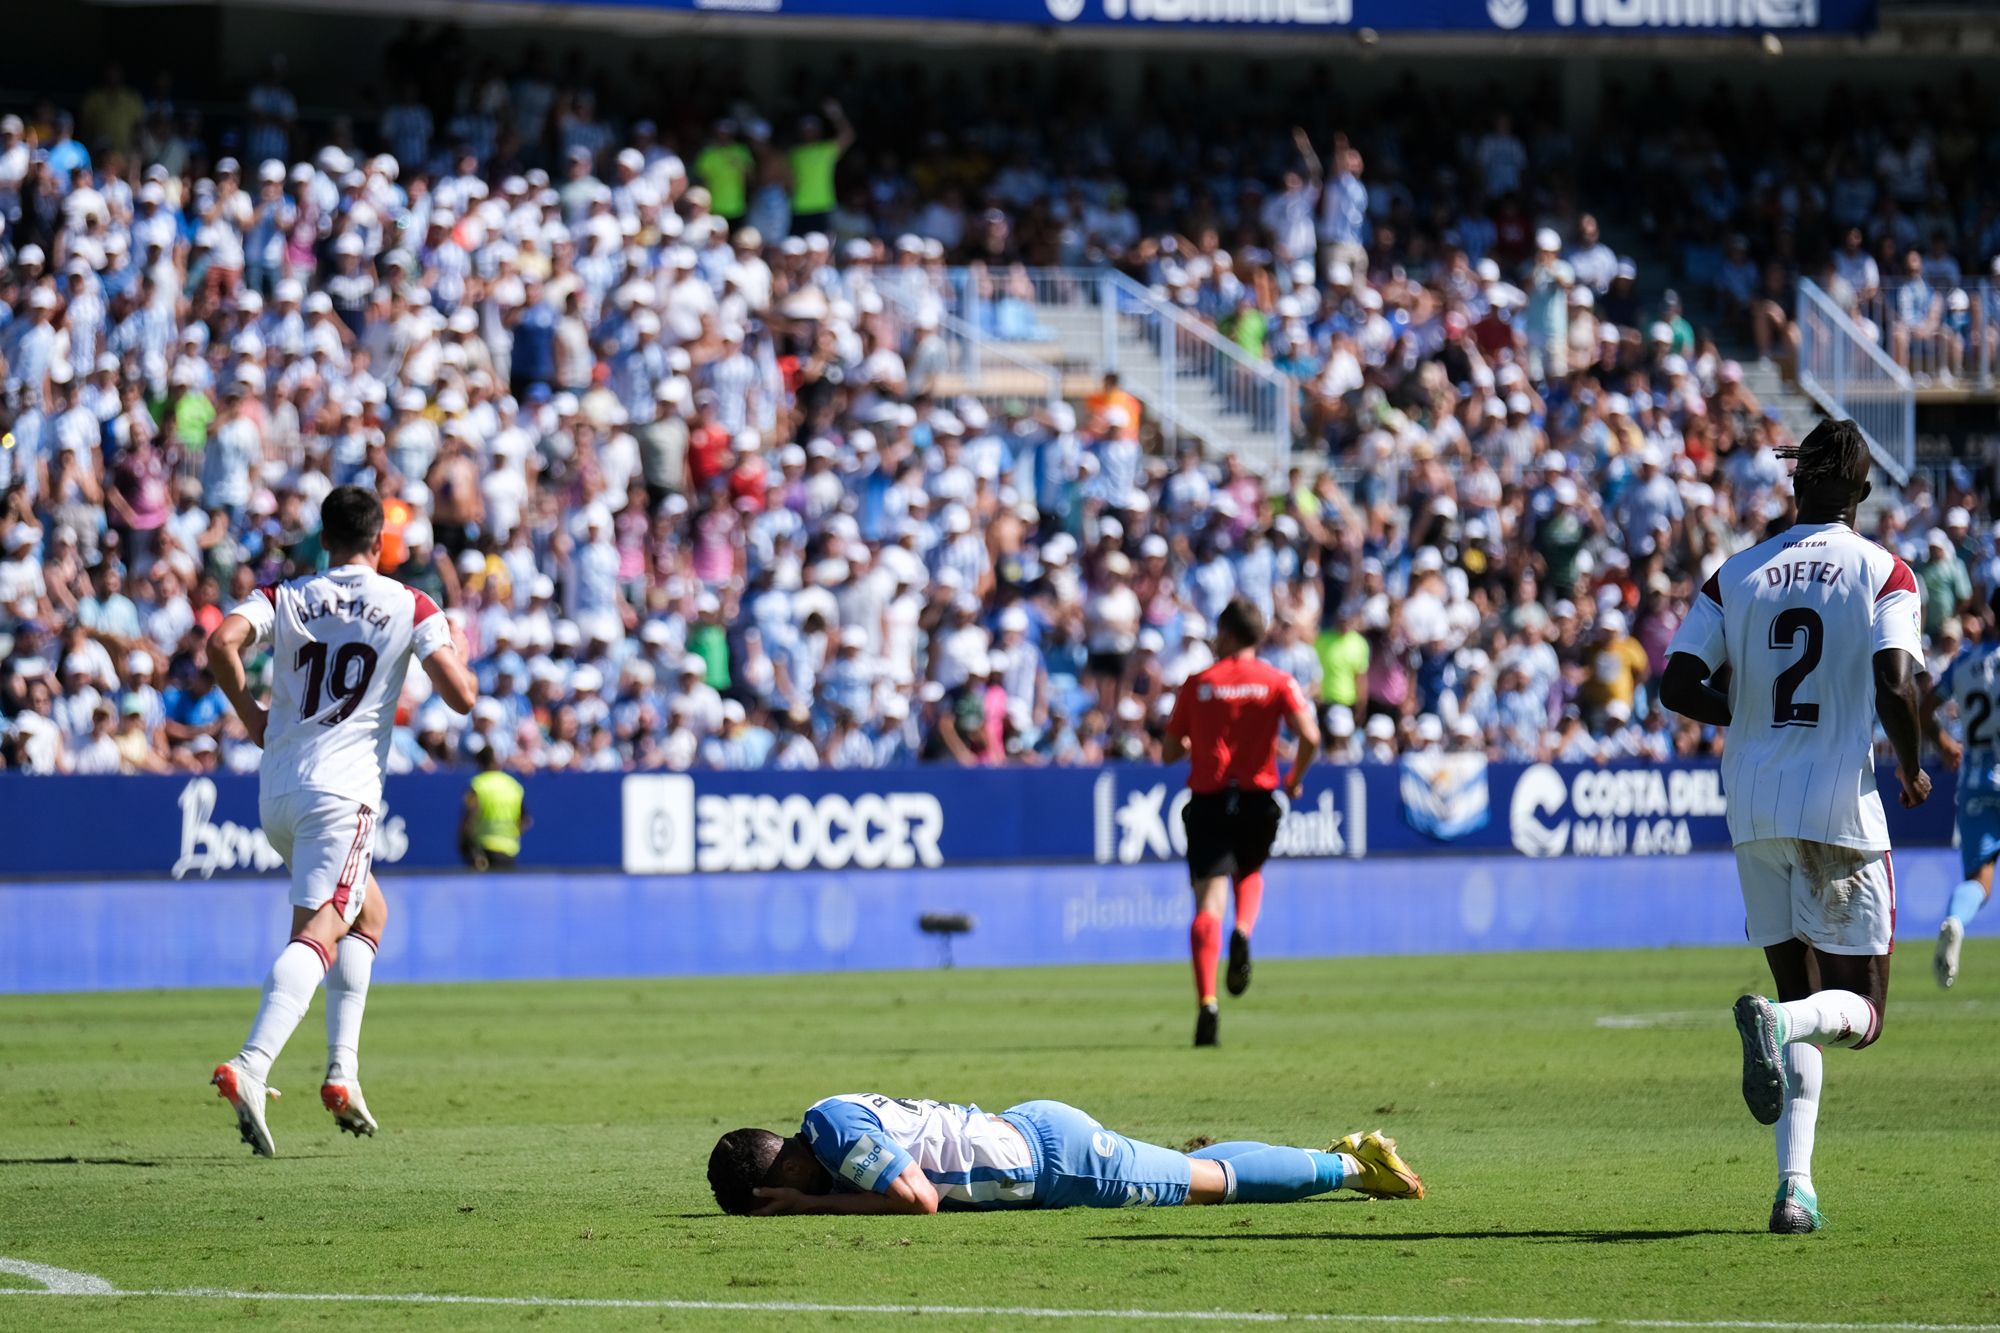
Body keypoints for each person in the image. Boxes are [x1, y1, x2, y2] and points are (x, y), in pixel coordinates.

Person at [1658, 418, 1929, 1235]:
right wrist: (1912, 764)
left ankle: (1795, 1189)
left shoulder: (1735, 573)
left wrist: (1740, 710)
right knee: (1862, 1013)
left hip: (1752, 807)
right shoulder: (1885, 571)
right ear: (1863, 491)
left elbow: (1677, 682)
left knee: (1800, 995)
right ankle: (1776, 1029)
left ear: (1794, 481)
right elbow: (1893, 682)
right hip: (1841, 805)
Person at [206, 486, 479, 1156]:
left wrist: (250, 716)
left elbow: (221, 642)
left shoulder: (287, 594)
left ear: (322, 538)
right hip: (343, 794)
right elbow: (462, 695)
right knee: (323, 927)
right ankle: (252, 1061)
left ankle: (342, 1073)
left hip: (278, 793)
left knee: (369, 913)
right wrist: (448, 646)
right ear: (380, 540)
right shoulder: (409, 603)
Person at [708, 1092, 1422, 1216]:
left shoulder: (833, 1138)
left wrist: (810, 1205)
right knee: (1183, 1170)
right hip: (1035, 1136)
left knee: (1213, 1182)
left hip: (1052, 1163)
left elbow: (918, 1198)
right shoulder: (829, 1121)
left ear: (779, 1174)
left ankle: (1356, 1165)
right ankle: (1327, 1155)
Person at [1162, 597, 1320, 1048]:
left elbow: (1170, 752)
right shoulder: (1277, 680)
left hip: (1210, 800)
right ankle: (1244, 930)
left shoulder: (1199, 683)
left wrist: (1201, 739)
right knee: (1249, 872)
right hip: (1257, 797)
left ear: (1228, 634)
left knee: (1208, 901)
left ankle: (1208, 1001)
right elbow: (1310, 736)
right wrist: (1294, 780)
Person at [1919, 591, 1999, 988]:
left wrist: (1945, 742)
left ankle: (1955, 918)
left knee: (1979, 880)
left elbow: (1923, 706)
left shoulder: (1964, 663)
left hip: (1975, 780)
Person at [460, 737, 529, 870]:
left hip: (482, 850)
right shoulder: (514, 786)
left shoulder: (477, 785)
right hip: (509, 850)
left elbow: (469, 817)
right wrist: (512, 835)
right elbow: (525, 820)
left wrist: (464, 844)